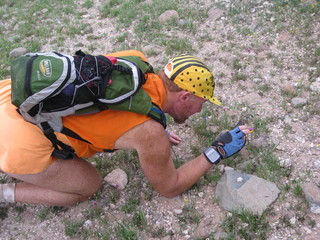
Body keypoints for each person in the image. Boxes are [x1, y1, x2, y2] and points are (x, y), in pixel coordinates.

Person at [0, 50, 251, 206]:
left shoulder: (136, 61)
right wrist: (216, 151)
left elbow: (102, 89)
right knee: (87, 186)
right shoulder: (150, 134)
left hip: (11, 94)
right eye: (201, 104)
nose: (199, 111)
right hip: (18, 138)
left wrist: (156, 123)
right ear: (184, 97)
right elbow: (169, 187)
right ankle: (5, 194)